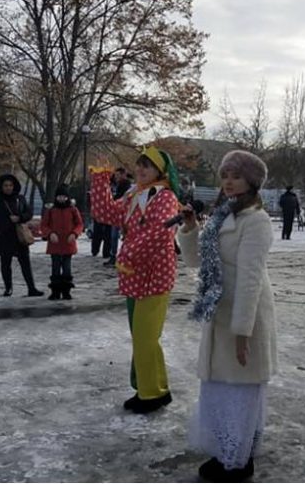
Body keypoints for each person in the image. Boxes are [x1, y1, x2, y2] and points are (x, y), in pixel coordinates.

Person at [176, 150, 276, 482]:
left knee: (240, 389)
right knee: (221, 387)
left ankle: (239, 460)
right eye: (225, 176)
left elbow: (250, 280)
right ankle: (226, 452)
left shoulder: (257, 221)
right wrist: (190, 230)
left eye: (236, 175)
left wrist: (243, 333)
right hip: (219, 310)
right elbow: (195, 262)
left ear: (252, 181)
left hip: (243, 314)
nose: (229, 182)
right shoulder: (222, 215)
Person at [102, 146, 181, 414]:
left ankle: (152, 394)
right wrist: (101, 180)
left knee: (146, 338)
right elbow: (106, 214)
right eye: (139, 164)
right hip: (134, 275)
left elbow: (161, 232)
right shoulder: (134, 195)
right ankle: (154, 388)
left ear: (160, 170)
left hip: (155, 276)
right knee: (141, 337)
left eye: (147, 165)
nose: (141, 169)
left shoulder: (166, 197)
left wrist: (129, 255)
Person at [0, 174, 44, 298]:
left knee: (25, 263)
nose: (8, 188)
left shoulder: (20, 198)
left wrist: (20, 218)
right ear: (1, 187)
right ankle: (8, 288)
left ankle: (31, 288)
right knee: (6, 264)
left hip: (19, 236)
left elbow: (29, 213)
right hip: (4, 237)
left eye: (10, 185)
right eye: (6, 185)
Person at [42, 184, 84, 301]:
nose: (61, 199)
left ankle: (66, 291)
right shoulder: (51, 210)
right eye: (59, 197)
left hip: (68, 243)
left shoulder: (73, 210)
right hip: (54, 244)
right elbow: (44, 225)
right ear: (56, 198)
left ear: (67, 198)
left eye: (64, 197)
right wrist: (50, 233)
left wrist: (74, 233)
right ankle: (55, 291)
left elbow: (79, 224)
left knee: (67, 268)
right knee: (55, 268)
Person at [103, 168, 132, 267]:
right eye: (116, 175)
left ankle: (121, 256)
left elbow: (123, 198)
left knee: (120, 235)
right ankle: (114, 256)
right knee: (114, 236)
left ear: (123, 175)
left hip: (123, 213)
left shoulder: (126, 185)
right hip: (117, 213)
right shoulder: (116, 185)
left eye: (118, 175)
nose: (116, 177)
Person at [89, 169, 113, 260]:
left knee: (97, 233)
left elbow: (93, 200)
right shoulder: (106, 185)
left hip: (98, 213)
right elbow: (109, 199)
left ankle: (95, 250)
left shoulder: (94, 185)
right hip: (107, 213)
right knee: (107, 234)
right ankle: (106, 252)